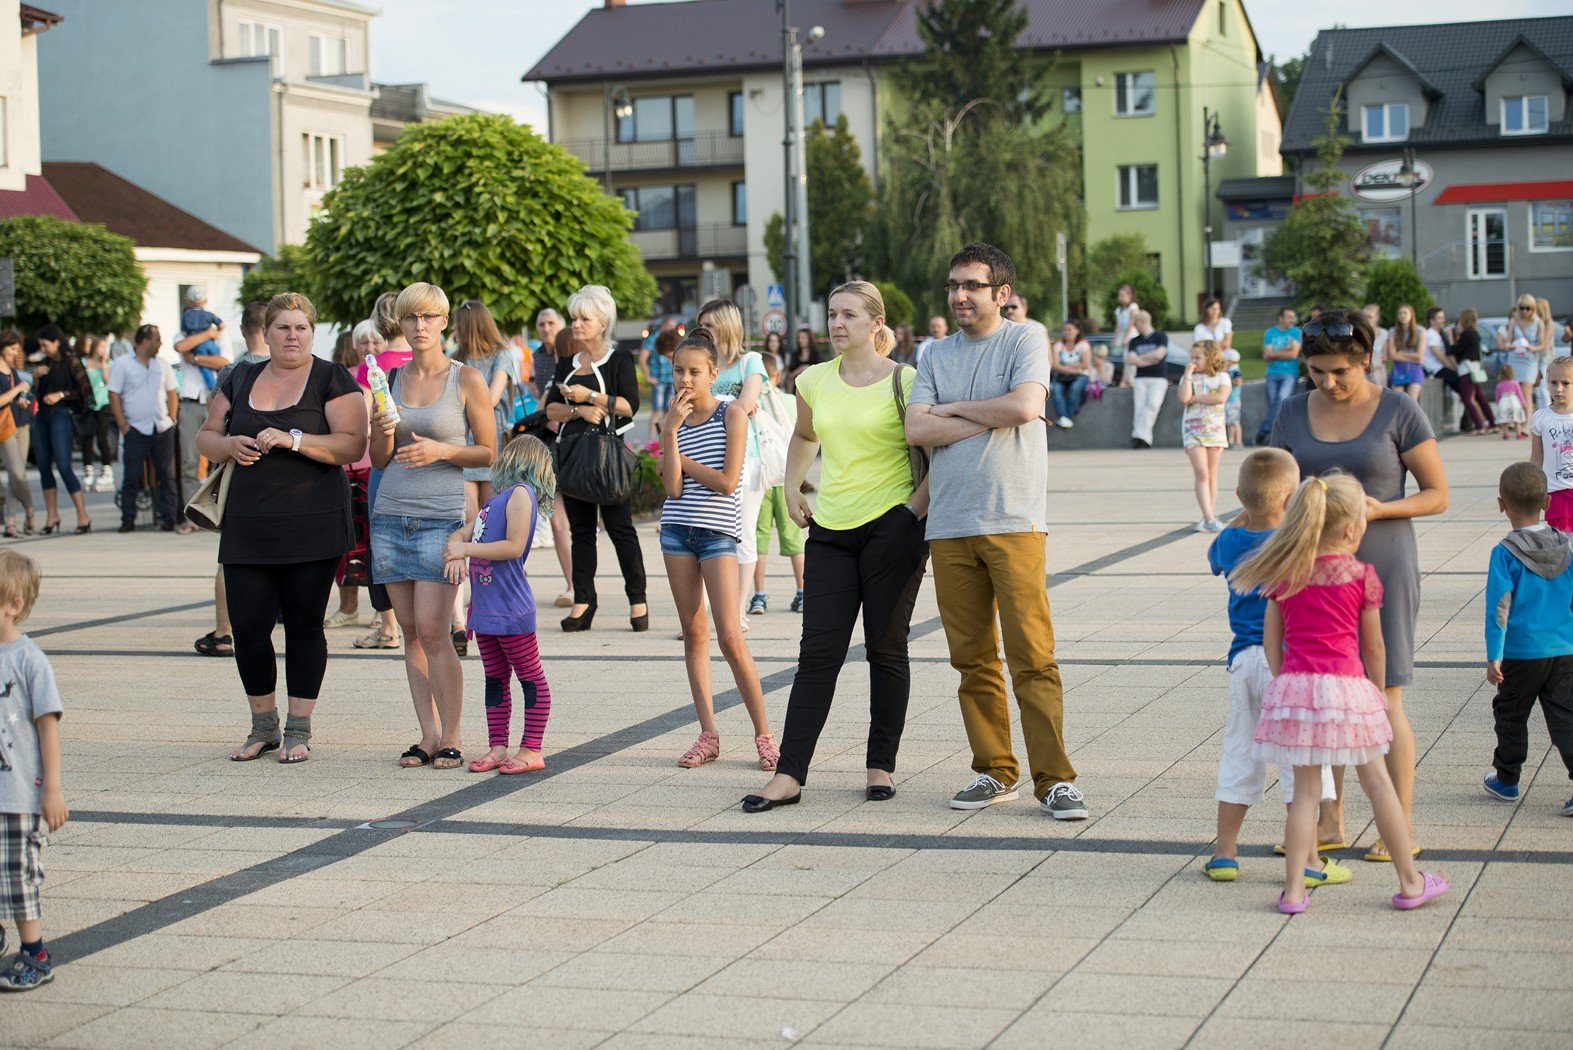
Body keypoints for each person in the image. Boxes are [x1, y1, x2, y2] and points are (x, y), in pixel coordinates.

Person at [905, 242, 1087, 819]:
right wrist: (988, 409)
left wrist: (951, 410)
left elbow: (1026, 408)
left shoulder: (1025, 337)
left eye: (972, 286)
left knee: (1033, 656)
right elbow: (916, 429)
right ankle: (994, 770)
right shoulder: (935, 353)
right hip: (949, 524)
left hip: (1013, 519)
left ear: (1001, 293)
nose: (959, 295)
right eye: (953, 285)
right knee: (972, 659)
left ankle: (1054, 780)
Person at [742, 281, 929, 811]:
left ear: (876, 323)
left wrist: (909, 515)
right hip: (831, 531)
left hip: (893, 528)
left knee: (885, 649)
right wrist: (791, 486)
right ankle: (789, 775)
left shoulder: (907, 381)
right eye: (832, 314)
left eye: (849, 314)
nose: (837, 324)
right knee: (817, 654)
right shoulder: (813, 380)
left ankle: (880, 765)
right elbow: (805, 436)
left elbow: (937, 458)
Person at [1270, 307, 1449, 862]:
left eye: (1340, 372)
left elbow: (1438, 494)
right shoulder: (1292, 411)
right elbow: (1279, 491)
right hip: (1312, 577)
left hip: (1383, 567)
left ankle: (1400, 825)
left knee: (1383, 693)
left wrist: (1382, 509)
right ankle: (1329, 821)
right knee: (1323, 696)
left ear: (1366, 360)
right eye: (1317, 372)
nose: (1328, 383)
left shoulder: (1399, 409)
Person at [1231, 472, 1449, 913]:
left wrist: (1287, 681)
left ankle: (1294, 891)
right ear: (1351, 530)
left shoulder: (1286, 573)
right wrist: (1377, 694)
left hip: (1298, 688)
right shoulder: (1361, 576)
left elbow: (1272, 642)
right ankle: (1410, 881)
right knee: (1379, 785)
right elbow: (1375, 647)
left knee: (1304, 794)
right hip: (1350, 690)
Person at [198, 292, 367, 765]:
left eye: (301, 328)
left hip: (312, 523)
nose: (293, 336)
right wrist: (229, 444)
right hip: (247, 523)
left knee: (304, 626)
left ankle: (298, 729)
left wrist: (294, 440)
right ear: (266, 333)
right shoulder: (240, 376)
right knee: (249, 627)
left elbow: (352, 445)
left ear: (312, 333)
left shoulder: (332, 378)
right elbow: (206, 436)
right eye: (283, 328)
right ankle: (263, 727)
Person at [370, 283, 496, 770]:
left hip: (440, 518)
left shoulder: (466, 379)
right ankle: (427, 734)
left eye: (428, 317)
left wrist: (441, 450)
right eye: (410, 318)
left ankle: (452, 735)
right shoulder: (389, 379)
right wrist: (381, 431)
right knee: (409, 631)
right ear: (400, 324)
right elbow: (379, 457)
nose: (419, 326)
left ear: (443, 322)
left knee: (434, 630)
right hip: (389, 514)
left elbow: (489, 453)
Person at [1202, 449, 1340, 885]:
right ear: (1290, 498)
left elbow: (1216, 554)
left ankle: (1224, 854)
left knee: (1240, 753)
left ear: (1239, 496)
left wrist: (1246, 512)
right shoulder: (1298, 543)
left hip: (1244, 662)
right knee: (1301, 761)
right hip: (1291, 662)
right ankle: (1310, 860)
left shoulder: (1228, 542)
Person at [658, 329, 776, 770]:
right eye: (678, 371)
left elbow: (727, 483)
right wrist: (670, 431)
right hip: (676, 532)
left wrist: (680, 456)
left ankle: (764, 736)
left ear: (714, 373)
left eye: (695, 371)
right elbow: (672, 489)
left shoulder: (732, 415)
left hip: (717, 535)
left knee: (729, 636)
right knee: (694, 634)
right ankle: (708, 735)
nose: (685, 379)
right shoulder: (673, 419)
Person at [444, 435, 557, 776]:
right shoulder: (495, 501)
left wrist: (465, 550)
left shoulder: (521, 493)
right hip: (485, 610)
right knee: (495, 679)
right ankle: (498, 746)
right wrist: (456, 548)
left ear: (517, 459)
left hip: (510, 609)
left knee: (530, 678)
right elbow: (462, 533)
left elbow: (513, 546)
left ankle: (532, 748)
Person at [544, 286, 647, 633]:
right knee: (582, 533)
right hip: (573, 456)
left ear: (602, 323)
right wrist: (578, 411)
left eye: (584, 319)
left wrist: (591, 397)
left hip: (607, 458)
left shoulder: (619, 360)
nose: (576, 324)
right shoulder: (566, 364)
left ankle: (638, 599)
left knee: (621, 529)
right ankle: (583, 601)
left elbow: (630, 406)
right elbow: (551, 409)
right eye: (574, 318)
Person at [1481, 462, 1573, 815]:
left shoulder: (1504, 553)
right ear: (1547, 502)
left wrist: (1494, 654)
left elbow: (1498, 608)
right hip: (1564, 648)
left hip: (1521, 653)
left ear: (1501, 504)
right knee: (1565, 716)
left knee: (1511, 714)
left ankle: (1507, 779)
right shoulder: (1566, 547)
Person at [0, 550, 67, 991]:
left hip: (18, 794)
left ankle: (35, 954)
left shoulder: (29, 660)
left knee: (18, 875)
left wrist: (52, 790)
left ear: (14, 605)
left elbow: (48, 729)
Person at [195, 302, 270, 659]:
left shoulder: (233, 370)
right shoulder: (293, 370)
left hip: (239, 470)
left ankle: (224, 631)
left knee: (232, 557)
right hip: (283, 477)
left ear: (243, 330)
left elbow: (213, 418)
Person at [352, 292, 415, 653]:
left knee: (382, 541)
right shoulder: (424, 362)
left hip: (385, 463)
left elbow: (367, 419)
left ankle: (389, 626)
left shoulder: (375, 366)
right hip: (423, 465)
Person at [700, 299, 768, 632]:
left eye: (709, 325)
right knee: (702, 532)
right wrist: (732, 406)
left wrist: (724, 405)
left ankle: (737, 611)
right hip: (703, 455)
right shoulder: (701, 363)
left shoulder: (749, 361)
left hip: (745, 457)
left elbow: (745, 404)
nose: (703, 331)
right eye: (700, 325)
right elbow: (686, 403)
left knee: (743, 532)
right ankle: (700, 615)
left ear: (726, 326)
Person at [325, 321, 377, 630]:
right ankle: (348, 607)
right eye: (364, 343)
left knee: (374, 541)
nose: (370, 348)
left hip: (373, 465)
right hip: (344, 465)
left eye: (375, 342)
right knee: (345, 539)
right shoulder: (341, 377)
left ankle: (383, 610)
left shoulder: (388, 375)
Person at [106, 325, 180, 533]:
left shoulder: (162, 364)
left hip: (161, 426)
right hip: (135, 428)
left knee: (166, 474)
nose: (160, 343)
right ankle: (128, 518)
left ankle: (168, 517)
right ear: (145, 342)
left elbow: (172, 391)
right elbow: (113, 395)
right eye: (157, 339)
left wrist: (172, 418)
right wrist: (123, 425)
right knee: (132, 475)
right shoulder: (122, 364)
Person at [749, 353, 805, 616]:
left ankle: (759, 596)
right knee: (793, 536)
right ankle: (802, 592)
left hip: (759, 479)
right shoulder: (790, 402)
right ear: (777, 376)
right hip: (787, 478)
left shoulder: (749, 403)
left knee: (758, 538)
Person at [174, 293, 232, 532]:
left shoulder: (218, 332)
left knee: (219, 461)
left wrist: (196, 358)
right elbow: (181, 346)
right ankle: (192, 517)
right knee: (189, 462)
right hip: (190, 401)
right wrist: (208, 335)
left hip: (215, 400)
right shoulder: (188, 328)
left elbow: (225, 362)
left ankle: (216, 514)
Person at [29, 324, 93, 534]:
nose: (43, 349)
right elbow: (37, 394)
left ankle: (83, 515)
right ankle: (52, 516)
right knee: (44, 466)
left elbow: (86, 392)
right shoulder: (45, 364)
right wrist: (36, 378)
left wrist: (62, 395)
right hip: (43, 416)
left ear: (57, 341)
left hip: (62, 415)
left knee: (64, 466)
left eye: (45, 345)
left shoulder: (72, 361)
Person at [1180, 340, 1231, 532]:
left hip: (1214, 430)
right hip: (1193, 431)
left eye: (1197, 357)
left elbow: (1220, 397)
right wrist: (1187, 375)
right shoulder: (1190, 378)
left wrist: (1196, 398)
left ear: (1210, 357)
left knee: (1211, 474)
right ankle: (1209, 517)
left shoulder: (1222, 377)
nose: (1193, 361)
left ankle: (1207, 514)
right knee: (1201, 473)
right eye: (1192, 357)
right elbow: (1184, 398)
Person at [1531, 355, 1573, 528]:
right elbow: (1536, 458)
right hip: (1555, 493)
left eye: (1566, 383)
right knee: (1561, 541)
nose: (1559, 389)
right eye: (1554, 383)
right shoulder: (1540, 418)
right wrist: (1533, 488)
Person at [0, 331, 34, 536]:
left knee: (16, 476)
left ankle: (10, 522)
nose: (15, 353)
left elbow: (15, 397)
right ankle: (30, 509)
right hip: (5, 428)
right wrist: (19, 388)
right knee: (18, 474)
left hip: (21, 423)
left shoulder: (12, 371)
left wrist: (21, 398)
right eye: (12, 349)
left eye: (17, 349)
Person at [1255, 306, 1301, 445]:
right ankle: (1279, 438)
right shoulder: (1270, 332)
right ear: (1280, 318)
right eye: (1289, 317)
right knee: (1273, 405)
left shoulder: (1296, 332)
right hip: (1272, 373)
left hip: (1290, 374)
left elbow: (1293, 355)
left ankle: (1263, 431)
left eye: (1293, 317)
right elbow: (1266, 357)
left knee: (1281, 400)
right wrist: (1286, 349)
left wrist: (1275, 353)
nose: (1292, 320)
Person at [1124, 310, 1169, 449]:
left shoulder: (1160, 337)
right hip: (1141, 378)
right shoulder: (1134, 341)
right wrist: (1149, 359)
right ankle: (1143, 439)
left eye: (1136, 324)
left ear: (1143, 322)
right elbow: (1130, 359)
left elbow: (1159, 355)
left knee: (1152, 405)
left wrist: (1140, 359)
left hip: (1158, 377)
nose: (1135, 327)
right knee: (1140, 408)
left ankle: (1139, 436)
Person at [78, 337, 117, 493]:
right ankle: (88, 469)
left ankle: (106, 468)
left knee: (102, 436)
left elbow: (108, 382)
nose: (103, 350)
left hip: (103, 403)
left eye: (105, 347)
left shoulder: (108, 364)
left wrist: (104, 364)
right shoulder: (84, 362)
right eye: (101, 346)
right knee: (87, 436)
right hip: (89, 403)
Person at [1452, 309, 1496, 435]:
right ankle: (1492, 423)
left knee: (1467, 399)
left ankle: (1479, 426)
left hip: (1467, 371)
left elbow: (1457, 350)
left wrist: (1452, 340)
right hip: (1475, 370)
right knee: (1480, 398)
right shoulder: (1474, 333)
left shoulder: (1466, 334)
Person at [1499, 294, 1543, 420]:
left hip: (1530, 360)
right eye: (1522, 308)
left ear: (1533, 309)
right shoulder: (1513, 321)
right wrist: (1510, 346)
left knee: (1526, 391)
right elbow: (1508, 341)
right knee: (1515, 392)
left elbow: (1543, 345)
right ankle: (1520, 420)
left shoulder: (1538, 322)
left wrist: (1532, 348)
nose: (1525, 311)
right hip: (1515, 358)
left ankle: (1528, 423)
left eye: (1528, 308)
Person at [1048, 320, 1093, 429]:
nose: (1066, 332)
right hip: (1062, 376)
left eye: (1069, 330)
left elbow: (1085, 364)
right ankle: (1065, 418)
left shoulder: (1083, 345)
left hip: (1081, 376)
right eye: (1065, 330)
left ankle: (1065, 418)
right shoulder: (1058, 345)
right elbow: (1055, 365)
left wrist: (1065, 367)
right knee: (1056, 390)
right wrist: (1073, 369)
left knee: (1075, 388)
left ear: (1077, 331)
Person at [1387, 304, 1424, 402]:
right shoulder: (1392, 331)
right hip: (1398, 369)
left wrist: (1400, 353)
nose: (1402, 315)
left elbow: (1419, 356)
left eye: (1405, 313)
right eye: (1400, 313)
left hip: (1414, 369)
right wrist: (1413, 357)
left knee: (1411, 402)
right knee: (1398, 401)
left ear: (1411, 315)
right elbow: (1393, 356)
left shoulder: (1420, 331)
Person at [647, 326, 678, 442]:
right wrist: (648, 376)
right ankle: (653, 440)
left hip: (670, 381)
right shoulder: (654, 339)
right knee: (657, 410)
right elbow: (643, 357)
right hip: (660, 380)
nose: (670, 360)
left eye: (670, 356)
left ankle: (663, 440)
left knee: (667, 411)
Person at [531, 308, 565, 403]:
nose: (546, 329)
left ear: (561, 327)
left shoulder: (567, 353)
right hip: (543, 408)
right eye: (541, 325)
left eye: (551, 323)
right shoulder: (536, 355)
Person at [1495, 365, 1528, 440]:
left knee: (1504, 420)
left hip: (1503, 401)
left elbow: (1497, 396)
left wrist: (1498, 404)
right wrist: (1523, 403)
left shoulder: (1499, 385)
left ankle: (1506, 435)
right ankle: (1518, 434)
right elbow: (1519, 394)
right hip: (1514, 401)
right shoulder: (1515, 383)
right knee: (1517, 420)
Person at [1111, 284, 1139, 364]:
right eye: (1119, 295)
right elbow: (1118, 325)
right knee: (1124, 360)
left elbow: (1131, 324)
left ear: (1130, 295)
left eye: (1122, 295)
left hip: (1131, 336)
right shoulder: (1119, 309)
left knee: (1130, 360)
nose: (1120, 298)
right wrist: (1115, 338)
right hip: (1122, 337)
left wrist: (1126, 338)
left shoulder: (1133, 307)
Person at [1223, 348, 1244, 449]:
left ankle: (1238, 441)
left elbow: (1238, 382)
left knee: (1235, 422)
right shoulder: (1228, 371)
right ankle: (1230, 441)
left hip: (1233, 400)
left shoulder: (1235, 371)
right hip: (1227, 399)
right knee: (1229, 422)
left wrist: (1227, 381)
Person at [1363, 303, 1388, 389]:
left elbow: (1385, 357)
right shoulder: (1359, 333)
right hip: (1363, 368)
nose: (1366, 319)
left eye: (1369, 317)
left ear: (1377, 318)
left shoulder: (1384, 333)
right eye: (1364, 316)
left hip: (1378, 370)